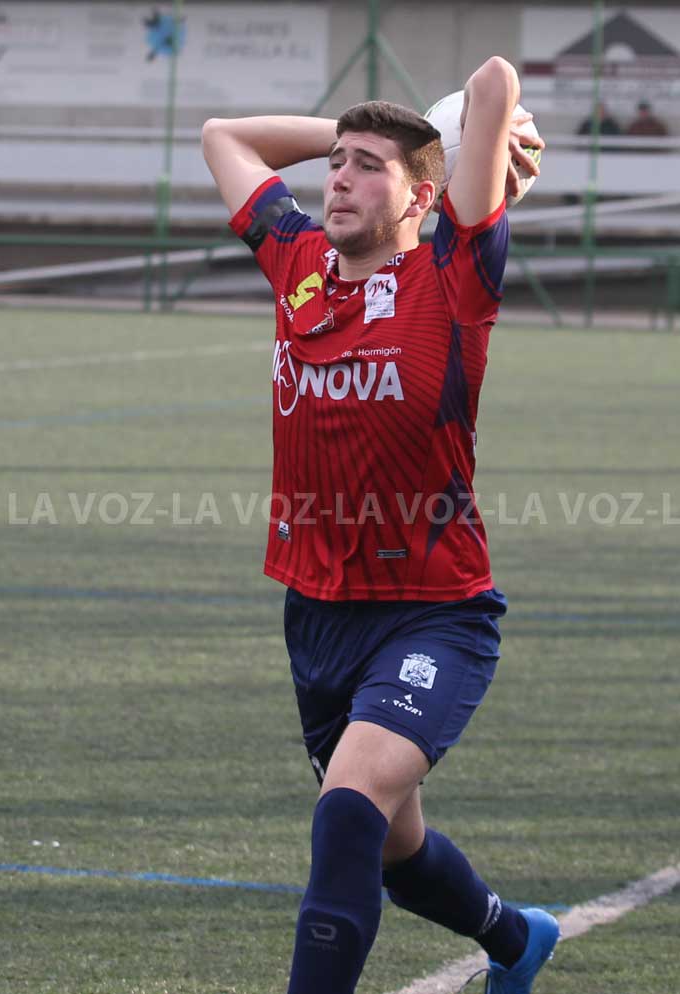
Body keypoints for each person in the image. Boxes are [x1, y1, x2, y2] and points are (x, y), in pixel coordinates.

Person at [202, 56, 558, 994]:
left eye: (369, 168)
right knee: (395, 852)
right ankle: (515, 939)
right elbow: (223, 139)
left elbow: (494, 78)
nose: (340, 180)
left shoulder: (453, 281)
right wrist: (352, 133)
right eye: (336, 166)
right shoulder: (298, 265)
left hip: (433, 612)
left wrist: (476, 139)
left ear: (422, 196)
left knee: (348, 813)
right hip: (317, 616)